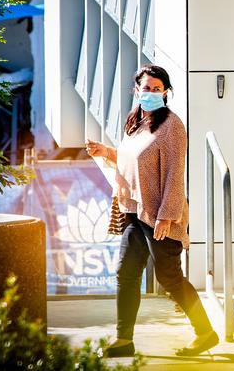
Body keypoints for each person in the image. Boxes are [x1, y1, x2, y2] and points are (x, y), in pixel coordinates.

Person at [85, 65, 218, 357]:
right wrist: (105, 152)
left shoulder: (172, 126)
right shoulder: (136, 122)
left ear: (166, 92)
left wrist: (166, 217)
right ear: (137, 90)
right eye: (146, 88)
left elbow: (174, 174)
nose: (151, 93)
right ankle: (124, 340)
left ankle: (206, 333)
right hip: (134, 211)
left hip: (159, 215)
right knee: (126, 273)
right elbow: (134, 161)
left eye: (158, 88)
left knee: (170, 277)